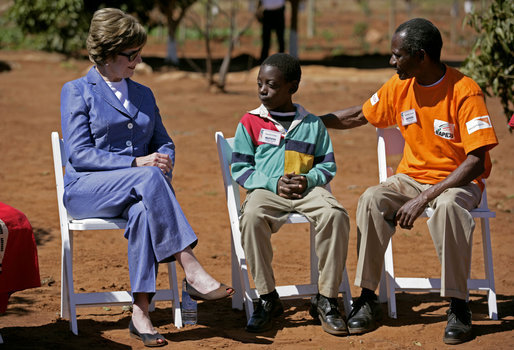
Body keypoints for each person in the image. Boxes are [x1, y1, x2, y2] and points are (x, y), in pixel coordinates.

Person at [60, 8, 234, 347]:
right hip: (86, 189)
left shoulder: (143, 94)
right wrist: (137, 162)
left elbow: (163, 140)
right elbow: (79, 153)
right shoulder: (76, 90)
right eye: (131, 54)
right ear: (108, 53)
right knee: (148, 177)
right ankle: (192, 268)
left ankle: (140, 313)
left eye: (139, 53)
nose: (138, 60)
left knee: (144, 210)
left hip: (136, 195)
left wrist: (164, 158)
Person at [320, 18, 498, 345]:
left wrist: (425, 197)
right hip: (411, 179)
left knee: (445, 208)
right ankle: (368, 297)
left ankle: (459, 306)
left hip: (457, 184)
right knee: (372, 199)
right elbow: (360, 115)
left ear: (421, 56)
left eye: (397, 55)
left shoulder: (464, 91)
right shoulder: (399, 85)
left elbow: (475, 161)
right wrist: (313, 123)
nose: (392, 61)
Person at [231, 53, 350, 335]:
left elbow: (327, 164)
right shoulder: (250, 122)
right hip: (266, 191)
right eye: (260, 83)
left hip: (307, 191)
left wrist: (309, 180)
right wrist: (273, 184)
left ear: (291, 87)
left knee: (336, 215)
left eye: (271, 85)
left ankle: (326, 298)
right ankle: (268, 298)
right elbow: (240, 167)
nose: (262, 90)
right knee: (251, 217)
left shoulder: (312, 124)